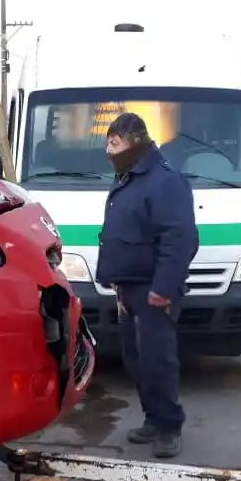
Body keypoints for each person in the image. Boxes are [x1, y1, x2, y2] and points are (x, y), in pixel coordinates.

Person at [95, 112, 199, 459]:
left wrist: (163, 288)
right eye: (108, 143)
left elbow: (180, 239)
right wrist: (117, 283)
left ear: (136, 142)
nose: (109, 151)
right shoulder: (129, 177)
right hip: (129, 289)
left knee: (157, 361)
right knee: (135, 360)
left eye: (114, 143)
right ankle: (153, 418)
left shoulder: (164, 181)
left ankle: (169, 426)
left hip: (153, 290)